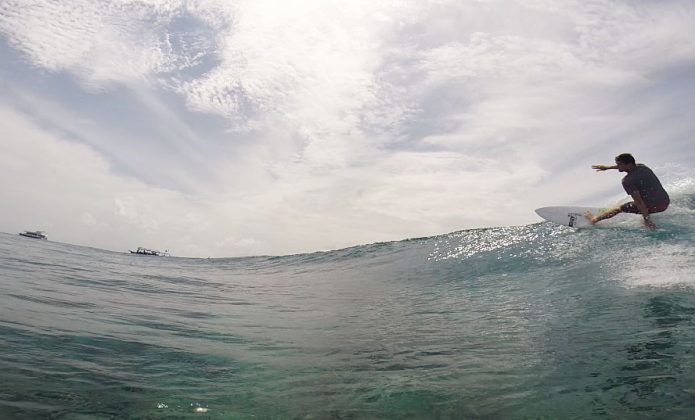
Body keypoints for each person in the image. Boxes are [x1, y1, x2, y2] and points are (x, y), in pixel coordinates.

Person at [586, 153, 669, 230]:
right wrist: (607, 168)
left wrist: (647, 220)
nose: (618, 166)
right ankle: (647, 211)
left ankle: (594, 220)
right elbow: (628, 166)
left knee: (620, 207)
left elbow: (639, 202)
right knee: (646, 195)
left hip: (657, 207)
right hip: (665, 201)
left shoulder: (628, 181)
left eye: (620, 164)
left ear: (628, 164)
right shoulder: (643, 167)